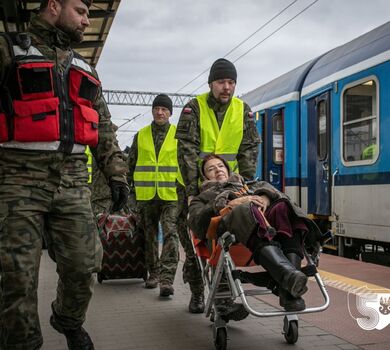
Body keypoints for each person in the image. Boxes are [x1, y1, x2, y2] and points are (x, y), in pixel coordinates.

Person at [0, 1, 129, 349]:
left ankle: (68, 320)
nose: (87, 20)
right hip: (17, 178)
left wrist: (117, 173)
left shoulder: (84, 68)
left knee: (85, 264)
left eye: (89, 13)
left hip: (72, 180)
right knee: (16, 274)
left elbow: (102, 126)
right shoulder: (8, 50)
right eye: (80, 10)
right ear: (53, 6)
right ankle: (22, 342)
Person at [175, 58, 261, 313]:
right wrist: (192, 193)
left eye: (231, 82)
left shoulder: (242, 110)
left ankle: (222, 297)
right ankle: (197, 293)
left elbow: (248, 150)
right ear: (211, 83)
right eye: (222, 81)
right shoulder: (194, 108)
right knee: (194, 244)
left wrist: (246, 185)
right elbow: (187, 154)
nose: (227, 87)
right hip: (194, 189)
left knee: (223, 239)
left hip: (226, 188)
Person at [188, 154, 322, 312]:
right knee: (244, 208)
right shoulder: (202, 198)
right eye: (211, 169)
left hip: (269, 233)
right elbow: (196, 223)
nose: (217, 170)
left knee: (283, 207)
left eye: (220, 166)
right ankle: (288, 276)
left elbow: (283, 197)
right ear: (205, 177)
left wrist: (265, 198)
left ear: (228, 169)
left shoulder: (253, 185)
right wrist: (229, 203)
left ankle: (288, 293)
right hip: (231, 237)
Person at [127, 94, 180, 297]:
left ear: (170, 113)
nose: (160, 112)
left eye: (164, 109)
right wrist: (129, 194)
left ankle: (166, 280)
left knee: (170, 234)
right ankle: (154, 274)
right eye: (157, 108)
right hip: (146, 195)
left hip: (171, 194)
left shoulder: (178, 135)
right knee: (149, 236)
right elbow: (130, 166)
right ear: (152, 111)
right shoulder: (140, 135)